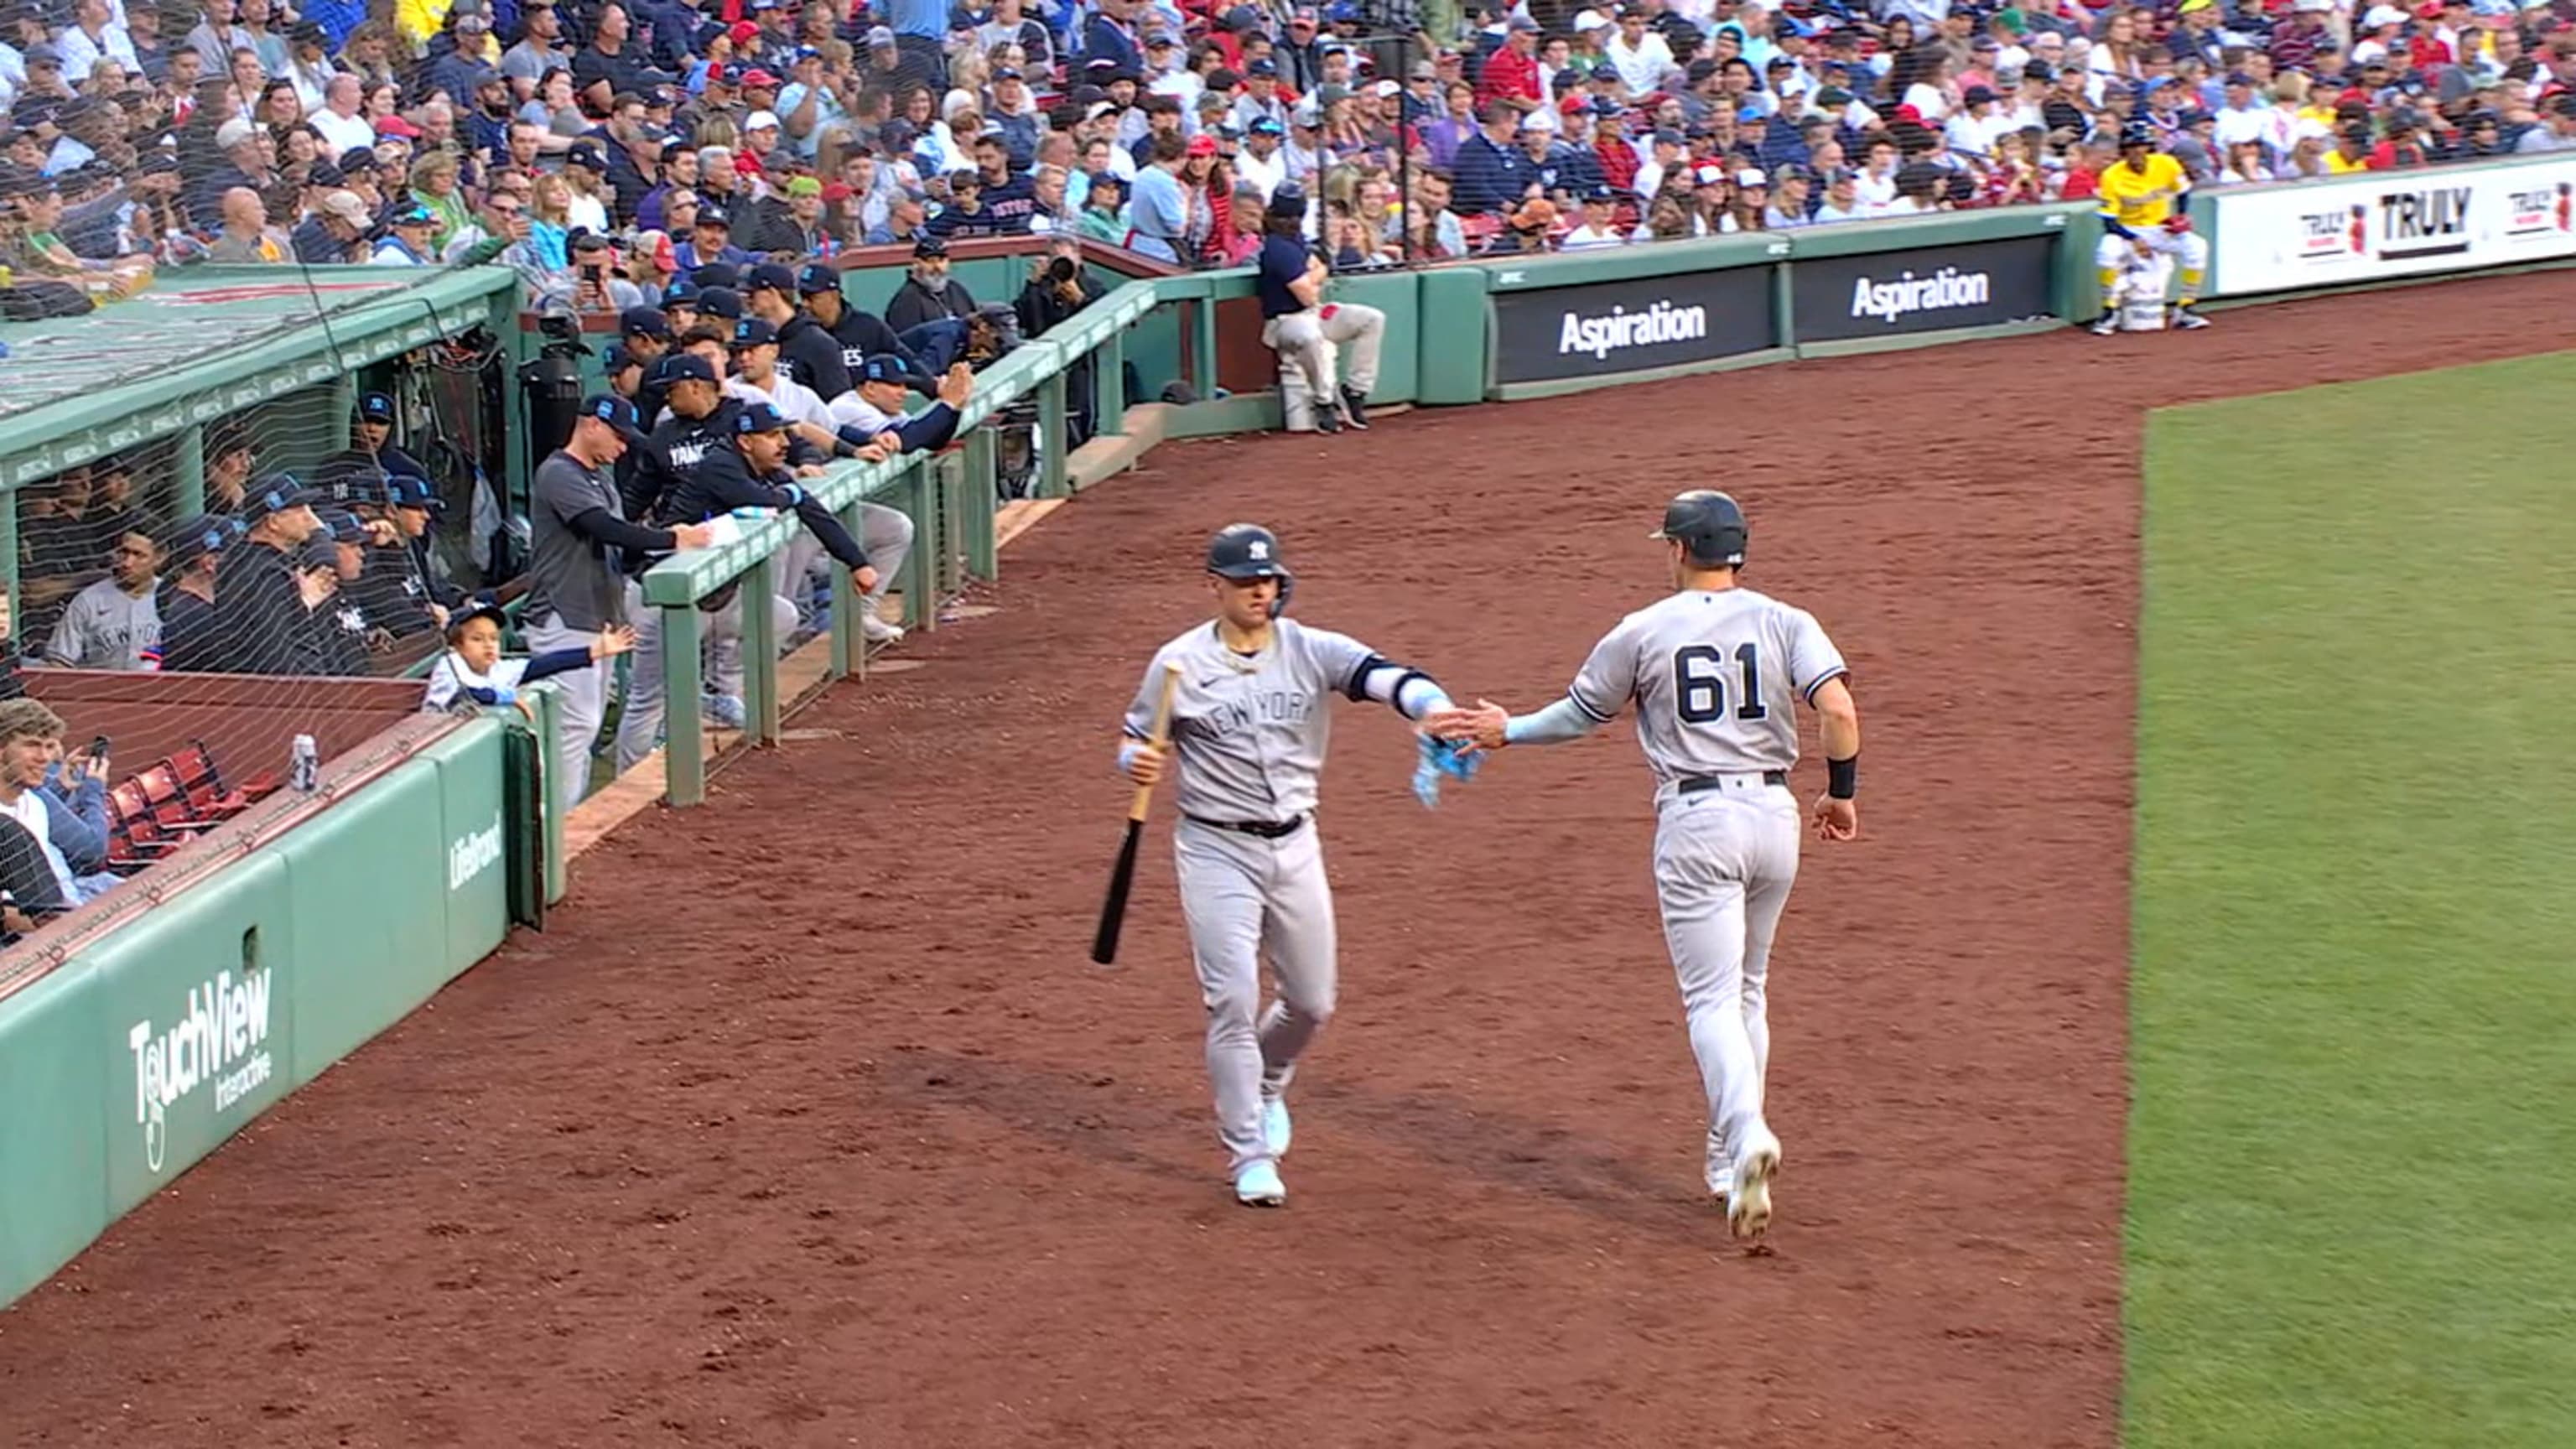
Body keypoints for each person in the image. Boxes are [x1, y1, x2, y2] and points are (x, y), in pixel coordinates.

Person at [1425, 491, 1862, 1242]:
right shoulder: (1789, 620)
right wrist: (1842, 797)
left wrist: (1508, 731)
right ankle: (1727, 1163)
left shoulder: (1642, 631)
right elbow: (1841, 710)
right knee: (1749, 990)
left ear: (1680, 549)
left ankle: (1747, 1132)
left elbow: (1578, 714)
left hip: (1697, 825)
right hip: (1775, 819)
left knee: (1710, 1001)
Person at [1116, 523, 1465, 1208]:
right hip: (1216, 847)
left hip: (1296, 843)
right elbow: (1135, 738)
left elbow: (1385, 676)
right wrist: (1136, 761)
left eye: (1268, 581)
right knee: (1232, 1000)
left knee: (1312, 1002)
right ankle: (1248, 1151)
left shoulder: (1309, 648)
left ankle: (1270, 1080)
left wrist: (1434, 710)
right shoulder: (1179, 663)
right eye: (1246, 583)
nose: (1259, 593)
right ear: (1214, 586)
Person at [615, 400, 880, 771]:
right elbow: (761, 500)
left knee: (780, 616)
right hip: (662, 597)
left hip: (716, 595)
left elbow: (813, 510)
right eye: (771, 435)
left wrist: (858, 562)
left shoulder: (765, 468)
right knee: (648, 700)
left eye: (783, 433)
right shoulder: (720, 465)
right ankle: (631, 777)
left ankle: (719, 690)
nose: (783, 442)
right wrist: (792, 494)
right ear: (744, 441)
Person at [522, 395, 714, 818]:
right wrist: (671, 539)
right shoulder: (558, 473)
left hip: (597, 614)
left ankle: (565, 819)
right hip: (564, 615)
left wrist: (658, 550)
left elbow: (617, 543)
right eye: (618, 436)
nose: (623, 448)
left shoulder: (599, 478)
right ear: (591, 425)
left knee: (583, 727)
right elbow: (602, 527)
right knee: (575, 726)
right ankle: (552, 826)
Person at [1254, 184, 1382, 435]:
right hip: (1285, 322)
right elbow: (1307, 295)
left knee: (1371, 319)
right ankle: (1323, 401)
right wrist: (1317, 274)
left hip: (1312, 314)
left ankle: (1356, 391)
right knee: (1310, 336)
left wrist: (1314, 273)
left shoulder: (1296, 238)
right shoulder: (1277, 247)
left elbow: (1319, 270)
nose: (1291, 219)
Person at [2090, 122, 2210, 334]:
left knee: (2197, 247)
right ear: (2124, 150)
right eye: (2132, 146)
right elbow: (2108, 222)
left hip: (2159, 228)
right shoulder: (2112, 175)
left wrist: (2181, 214)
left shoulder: (2167, 164)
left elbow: (2183, 190)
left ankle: (2186, 308)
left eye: (2142, 145)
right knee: (2107, 250)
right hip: (2127, 229)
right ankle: (2110, 310)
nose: (2137, 151)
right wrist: (2133, 238)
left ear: (2150, 147)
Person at [209, 476, 331, 675]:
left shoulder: (249, 559)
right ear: (273, 522)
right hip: (278, 697)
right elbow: (275, 657)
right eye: (299, 510)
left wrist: (302, 604)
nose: (309, 518)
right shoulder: (266, 573)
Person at [423, 600, 635, 713]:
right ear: (455, 646)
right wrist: (508, 697)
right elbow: (467, 695)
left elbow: (540, 666)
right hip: (429, 746)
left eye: (494, 638)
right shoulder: (450, 664)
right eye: (477, 639)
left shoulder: (496, 668)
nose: (488, 645)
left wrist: (592, 652)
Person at [44, 526, 164, 670]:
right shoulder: (89, 600)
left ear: (159, 558)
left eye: (139, 555)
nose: (127, 563)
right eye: (123, 552)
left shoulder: (172, 597)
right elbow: (59, 661)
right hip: (100, 689)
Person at [148, 514, 238, 672]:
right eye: (236, 556)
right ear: (211, 562)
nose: (243, 563)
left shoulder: (182, 602)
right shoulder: (194, 616)